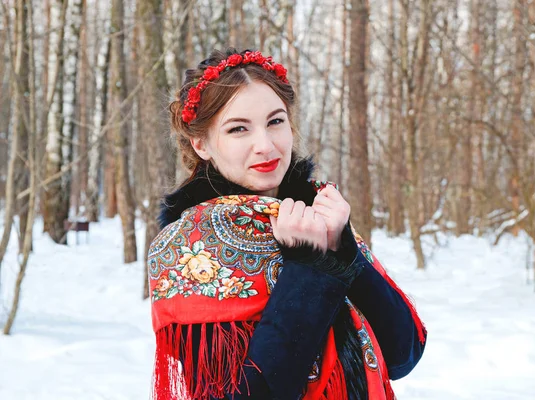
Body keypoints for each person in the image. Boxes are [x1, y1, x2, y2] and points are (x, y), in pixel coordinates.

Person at [148, 48, 426, 400]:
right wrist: (308, 267)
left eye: (275, 121)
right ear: (201, 144)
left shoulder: (316, 213)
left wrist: (341, 251)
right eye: (238, 129)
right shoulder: (191, 246)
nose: (265, 146)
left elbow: (403, 355)